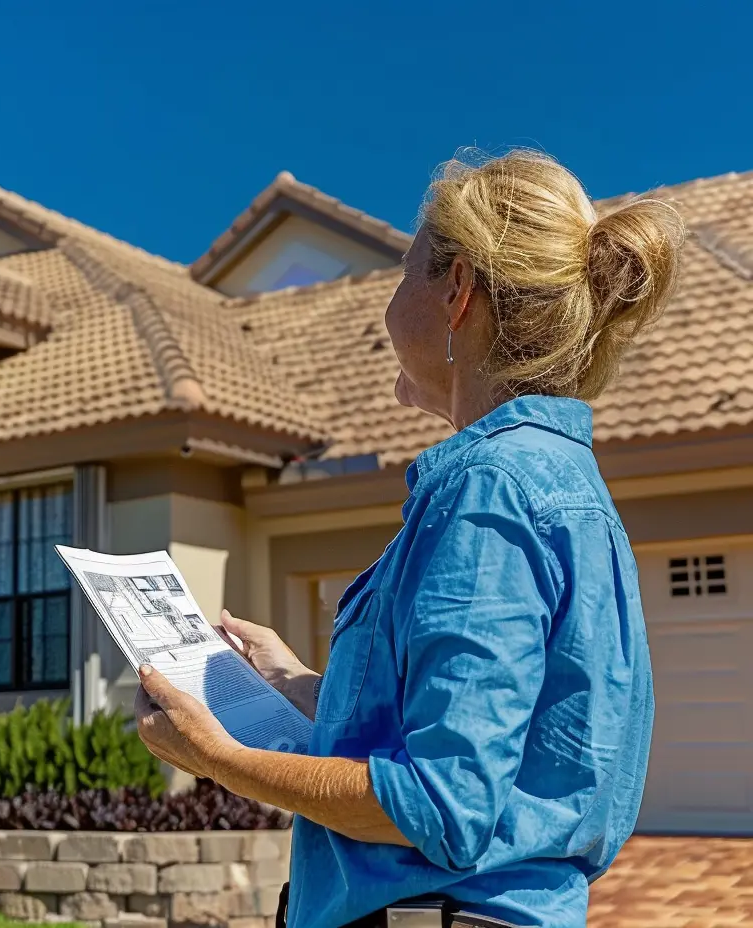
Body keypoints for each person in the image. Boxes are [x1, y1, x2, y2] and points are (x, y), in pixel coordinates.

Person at [133, 149, 686, 928]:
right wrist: (294, 682)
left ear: (457, 290)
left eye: (403, 274)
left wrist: (221, 759)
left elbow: (440, 802)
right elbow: (467, 732)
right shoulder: (553, 480)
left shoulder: (488, 488)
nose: (390, 303)